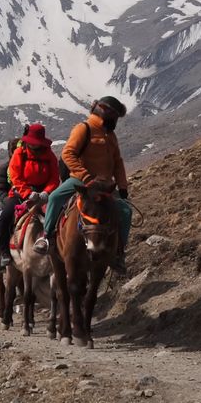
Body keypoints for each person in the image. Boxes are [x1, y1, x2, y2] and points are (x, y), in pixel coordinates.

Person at [36, 96, 135, 274]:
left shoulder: (110, 135)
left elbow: (117, 162)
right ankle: (47, 237)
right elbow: (68, 154)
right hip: (81, 181)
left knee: (125, 211)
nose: (116, 121)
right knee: (55, 198)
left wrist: (122, 186)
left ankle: (118, 252)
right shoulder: (84, 129)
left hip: (105, 185)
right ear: (106, 113)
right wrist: (86, 177)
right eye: (115, 117)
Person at [0, 123, 59, 271]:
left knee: (60, 215)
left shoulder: (50, 155)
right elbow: (15, 177)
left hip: (44, 194)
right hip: (21, 194)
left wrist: (46, 192)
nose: (35, 147)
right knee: (5, 217)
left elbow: (54, 177)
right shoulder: (20, 153)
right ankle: (3, 253)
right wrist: (27, 193)